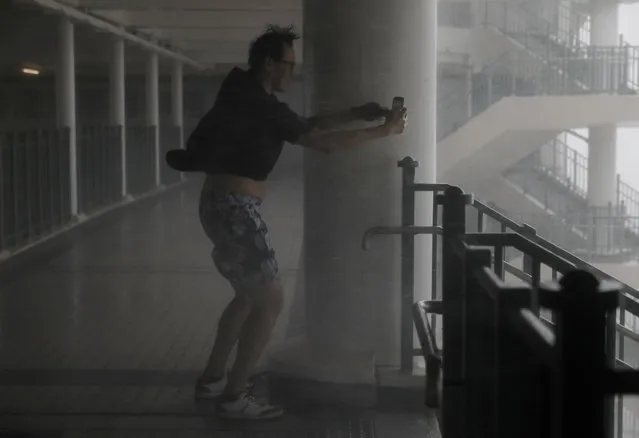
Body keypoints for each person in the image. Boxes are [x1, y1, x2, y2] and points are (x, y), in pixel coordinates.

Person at [188, 25, 407, 420]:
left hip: (222, 205)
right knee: (270, 300)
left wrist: (355, 115)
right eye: (289, 65)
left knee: (246, 296)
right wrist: (384, 130)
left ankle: (213, 381)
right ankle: (234, 396)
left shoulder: (246, 94)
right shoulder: (257, 102)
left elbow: (303, 125)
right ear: (270, 64)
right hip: (235, 209)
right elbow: (320, 143)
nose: (293, 73)